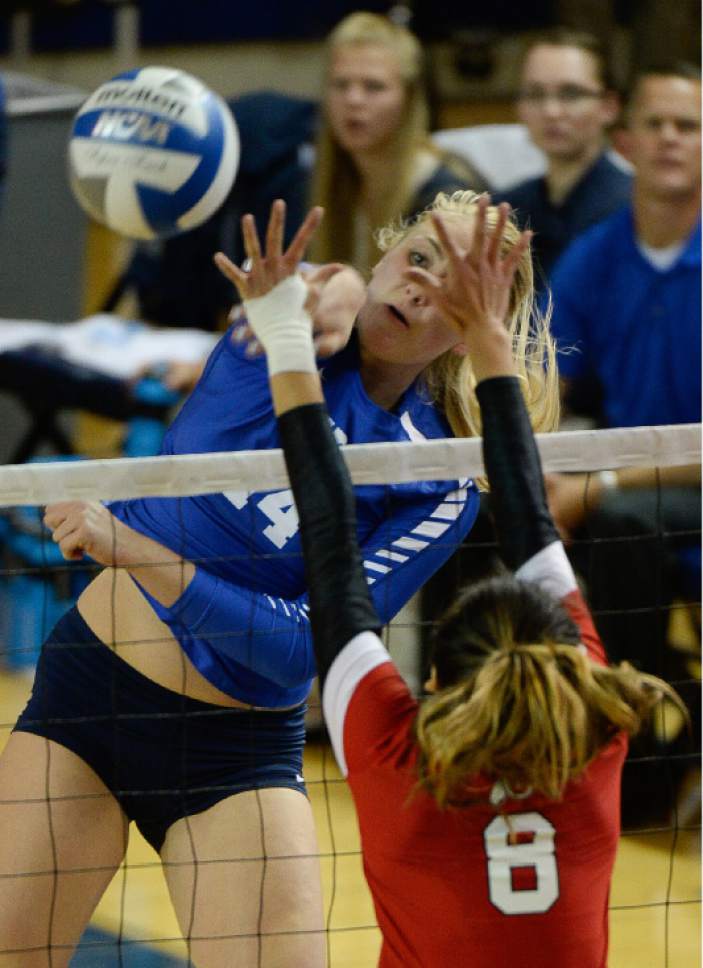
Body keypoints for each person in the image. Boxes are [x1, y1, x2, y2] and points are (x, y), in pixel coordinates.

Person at [0, 193, 557, 967]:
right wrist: (319, 292)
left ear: (476, 324)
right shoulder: (278, 341)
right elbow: (315, 295)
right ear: (384, 256)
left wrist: (129, 546)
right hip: (88, 703)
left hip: (237, 753)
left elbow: (298, 648)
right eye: (416, 257)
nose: (420, 286)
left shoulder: (439, 480)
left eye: (453, 284)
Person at [235, 194, 685, 967]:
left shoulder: (403, 763)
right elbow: (334, 546)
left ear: (438, 682)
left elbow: (500, 527)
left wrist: (284, 333)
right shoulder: (590, 738)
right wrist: (485, 332)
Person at [308, 11, 489, 271]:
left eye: (373, 86)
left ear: (409, 99)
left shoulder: (446, 197)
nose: (354, 100)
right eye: (340, 84)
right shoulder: (333, 180)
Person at [498, 28, 632, 283]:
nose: (551, 111)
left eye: (570, 94)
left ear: (609, 107)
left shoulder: (633, 209)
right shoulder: (506, 208)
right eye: (535, 94)